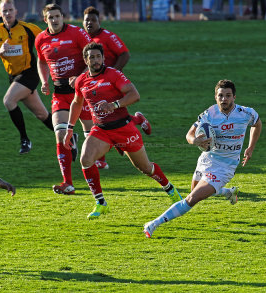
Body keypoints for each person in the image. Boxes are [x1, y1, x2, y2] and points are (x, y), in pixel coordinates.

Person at [63, 42, 182, 219]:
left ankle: (170, 189)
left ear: (103, 58)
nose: (96, 60)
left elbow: (134, 95)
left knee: (146, 168)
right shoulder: (81, 80)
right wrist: (69, 129)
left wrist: (113, 105)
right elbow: (76, 103)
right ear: (85, 60)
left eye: (98, 56)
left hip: (124, 129)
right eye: (92, 57)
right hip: (101, 130)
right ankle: (101, 203)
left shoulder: (113, 74)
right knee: (86, 160)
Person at [143, 79, 262, 238]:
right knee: (196, 191)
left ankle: (153, 224)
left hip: (224, 168)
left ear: (234, 97)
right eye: (220, 95)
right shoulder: (209, 114)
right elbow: (189, 134)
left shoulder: (245, 113)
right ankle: (228, 193)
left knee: (192, 198)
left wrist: (250, 148)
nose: (224, 99)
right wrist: (195, 141)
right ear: (215, 97)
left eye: (228, 96)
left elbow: (257, 124)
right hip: (207, 159)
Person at [35, 3, 94, 195]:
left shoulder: (77, 33)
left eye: (57, 16)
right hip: (59, 94)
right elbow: (41, 61)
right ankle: (67, 182)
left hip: (81, 93)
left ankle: (134, 122)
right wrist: (44, 81)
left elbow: (93, 57)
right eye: (50, 17)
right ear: (45, 20)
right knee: (60, 134)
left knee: (95, 134)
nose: (54, 20)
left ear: (63, 17)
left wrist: (80, 77)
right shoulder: (41, 39)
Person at [83, 6, 151, 168]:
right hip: (92, 84)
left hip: (110, 84)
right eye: (87, 21)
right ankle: (137, 120)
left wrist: (113, 74)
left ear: (100, 22)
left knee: (111, 115)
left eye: (94, 20)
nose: (90, 23)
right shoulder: (83, 38)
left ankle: (102, 157)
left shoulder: (107, 36)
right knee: (99, 116)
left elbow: (125, 54)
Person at [0, 0, 54, 155]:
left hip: (30, 73)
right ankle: (69, 137)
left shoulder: (29, 29)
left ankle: (25, 139)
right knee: (41, 114)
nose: (8, 13)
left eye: (10, 10)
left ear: (16, 11)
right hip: (14, 77)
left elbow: (48, 40)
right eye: (5, 10)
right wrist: (0, 51)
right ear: (0, 13)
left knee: (8, 101)